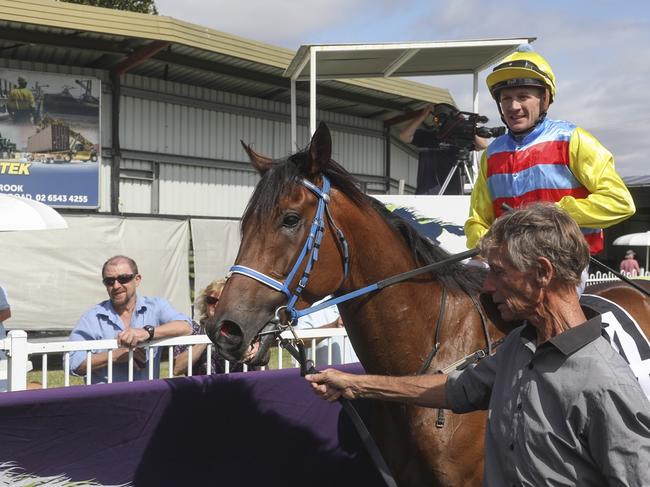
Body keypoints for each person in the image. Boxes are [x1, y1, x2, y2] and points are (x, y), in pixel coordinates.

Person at [307, 204, 650, 486]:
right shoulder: (518, 346)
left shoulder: (607, 385)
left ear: (543, 273)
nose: (486, 285)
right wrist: (354, 383)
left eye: (499, 272)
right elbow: (456, 389)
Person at [465, 45, 635, 257]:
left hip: (565, 263)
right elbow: (477, 220)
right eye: (506, 98)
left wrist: (553, 213)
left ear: (544, 99)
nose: (513, 106)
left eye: (523, 96)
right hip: (510, 265)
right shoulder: (491, 155)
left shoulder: (574, 140)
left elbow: (620, 202)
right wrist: (483, 241)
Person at [69, 255, 192, 384]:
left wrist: (147, 332)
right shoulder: (92, 317)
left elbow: (186, 326)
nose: (116, 286)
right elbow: (72, 363)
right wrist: (115, 356)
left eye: (123, 279)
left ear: (137, 280)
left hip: (147, 398)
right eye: (109, 281)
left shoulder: (157, 307)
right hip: (105, 400)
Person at [399, 104, 488, 195]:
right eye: (437, 119)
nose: (441, 123)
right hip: (426, 194)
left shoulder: (460, 139)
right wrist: (423, 115)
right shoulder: (426, 136)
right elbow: (404, 136)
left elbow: (483, 145)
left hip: (451, 195)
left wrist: (465, 123)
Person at [173, 278, 244, 375]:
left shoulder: (240, 329)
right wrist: (207, 337)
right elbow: (177, 369)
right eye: (211, 300)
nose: (216, 305)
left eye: (222, 300)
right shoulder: (193, 329)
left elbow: (261, 366)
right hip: (201, 389)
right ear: (205, 303)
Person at [295, 297, 359, 366]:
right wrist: (334, 325)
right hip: (322, 374)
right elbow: (301, 340)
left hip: (358, 372)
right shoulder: (309, 304)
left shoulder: (355, 298)